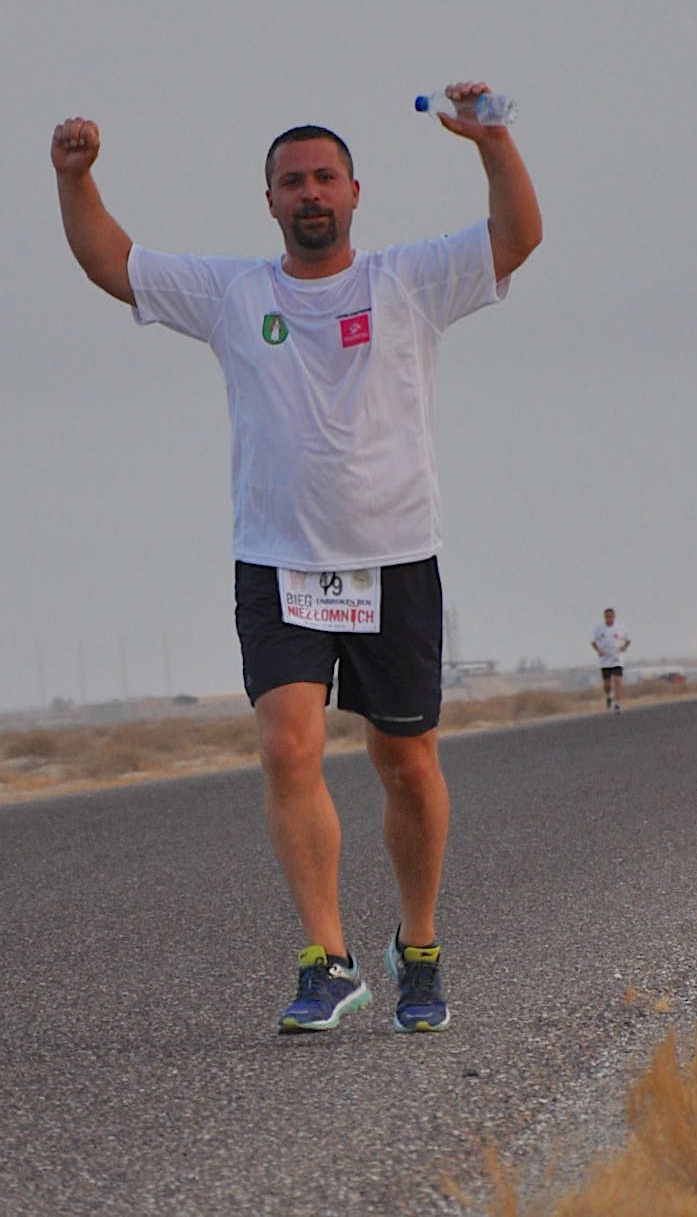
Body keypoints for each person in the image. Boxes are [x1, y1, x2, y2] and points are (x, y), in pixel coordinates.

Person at [51, 83, 541, 1035]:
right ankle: (328, 960)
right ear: (269, 200)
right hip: (278, 563)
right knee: (286, 747)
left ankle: (418, 948)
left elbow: (516, 238)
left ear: (354, 191)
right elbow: (113, 262)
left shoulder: (409, 280)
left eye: (324, 177)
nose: (309, 192)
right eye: (291, 181)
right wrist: (75, 179)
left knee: (407, 763)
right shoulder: (235, 294)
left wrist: (493, 142)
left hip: (395, 556)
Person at [591, 608, 630, 712]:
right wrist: (598, 651)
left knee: (618, 681)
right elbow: (593, 642)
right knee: (607, 683)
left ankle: (617, 704)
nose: (609, 619)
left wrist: (624, 647)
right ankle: (608, 695)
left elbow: (628, 639)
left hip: (617, 659)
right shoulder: (599, 629)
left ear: (614, 617)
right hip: (605, 660)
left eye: (610, 616)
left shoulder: (620, 628)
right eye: (607, 617)